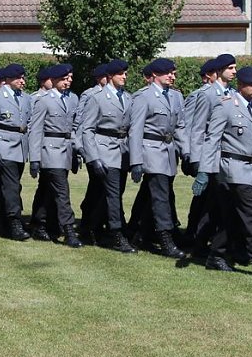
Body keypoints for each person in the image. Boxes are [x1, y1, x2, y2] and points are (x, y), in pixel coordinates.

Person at [193, 66, 252, 278]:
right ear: (241, 85)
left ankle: (216, 255)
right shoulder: (225, 106)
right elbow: (212, 140)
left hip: (251, 169)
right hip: (232, 168)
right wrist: (204, 171)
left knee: (231, 215)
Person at [128, 57, 189, 260]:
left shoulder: (176, 96)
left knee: (150, 195)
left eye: (173, 73)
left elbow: (180, 126)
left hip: (168, 152)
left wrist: (186, 151)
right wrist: (136, 161)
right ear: (154, 75)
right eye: (167, 73)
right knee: (161, 197)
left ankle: (137, 232)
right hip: (151, 151)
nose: (172, 76)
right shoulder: (143, 96)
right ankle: (165, 239)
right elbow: (136, 130)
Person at [79, 58, 135, 253]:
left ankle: (92, 228)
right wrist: (93, 157)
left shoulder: (127, 97)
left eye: (125, 73)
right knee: (112, 195)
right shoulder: (97, 98)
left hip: (122, 151)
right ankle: (116, 235)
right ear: (110, 76)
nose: (124, 77)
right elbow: (87, 129)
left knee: (110, 193)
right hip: (104, 150)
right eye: (120, 74)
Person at [185, 54, 236, 257]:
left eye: (235, 68)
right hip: (211, 155)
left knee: (215, 202)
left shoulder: (233, 93)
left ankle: (207, 241)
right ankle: (199, 243)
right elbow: (197, 129)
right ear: (220, 70)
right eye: (230, 68)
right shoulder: (207, 95)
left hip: (227, 154)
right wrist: (196, 159)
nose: (234, 72)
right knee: (212, 202)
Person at [28, 64, 81, 247]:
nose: (68, 82)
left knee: (47, 190)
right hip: (50, 150)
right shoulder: (44, 100)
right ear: (55, 80)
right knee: (61, 191)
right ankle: (68, 230)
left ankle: (40, 224)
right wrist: (35, 158)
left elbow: (73, 128)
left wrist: (77, 150)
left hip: (65, 150)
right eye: (65, 79)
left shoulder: (72, 99)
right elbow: (35, 130)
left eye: (70, 78)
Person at [0, 63, 32, 241]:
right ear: (9, 79)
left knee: (6, 185)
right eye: (19, 78)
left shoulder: (25, 98)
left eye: (23, 78)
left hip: (20, 148)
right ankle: (15, 222)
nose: (22, 81)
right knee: (12, 187)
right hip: (3, 147)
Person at [74, 63, 108, 243]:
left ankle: (100, 221)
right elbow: (80, 121)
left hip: (108, 148)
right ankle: (89, 222)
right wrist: (80, 147)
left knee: (104, 189)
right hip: (92, 146)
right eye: (106, 76)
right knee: (97, 187)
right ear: (98, 78)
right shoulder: (90, 95)